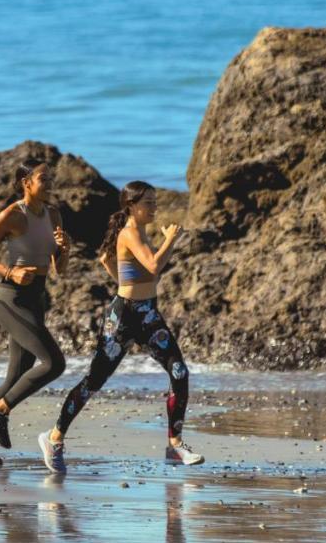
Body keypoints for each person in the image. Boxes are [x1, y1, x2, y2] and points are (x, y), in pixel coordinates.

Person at [38, 181, 203, 474]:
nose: (154, 207)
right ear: (132, 206)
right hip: (123, 318)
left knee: (179, 372)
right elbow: (153, 266)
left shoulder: (135, 231)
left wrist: (126, 280)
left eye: (155, 202)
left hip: (148, 314)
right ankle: (54, 438)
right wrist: (171, 240)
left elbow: (106, 259)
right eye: (149, 203)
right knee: (94, 381)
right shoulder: (129, 232)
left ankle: (174, 444)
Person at [0, 160, 71, 466]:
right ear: (26, 183)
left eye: (52, 179)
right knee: (54, 362)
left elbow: (60, 268)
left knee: (18, 374)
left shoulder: (54, 213)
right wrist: (10, 271)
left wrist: (64, 249)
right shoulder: (12, 215)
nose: (50, 184)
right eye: (44, 179)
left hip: (36, 298)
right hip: (11, 299)